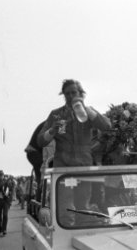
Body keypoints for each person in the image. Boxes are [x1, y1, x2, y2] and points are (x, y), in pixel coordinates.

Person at [37, 79, 111, 225]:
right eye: (67, 93)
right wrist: (52, 131)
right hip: (63, 169)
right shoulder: (56, 114)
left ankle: (81, 236)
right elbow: (40, 141)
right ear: (63, 95)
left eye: (74, 92)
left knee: (83, 206)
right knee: (66, 207)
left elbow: (107, 126)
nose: (70, 96)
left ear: (81, 93)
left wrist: (86, 109)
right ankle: (64, 238)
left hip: (83, 168)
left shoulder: (88, 112)